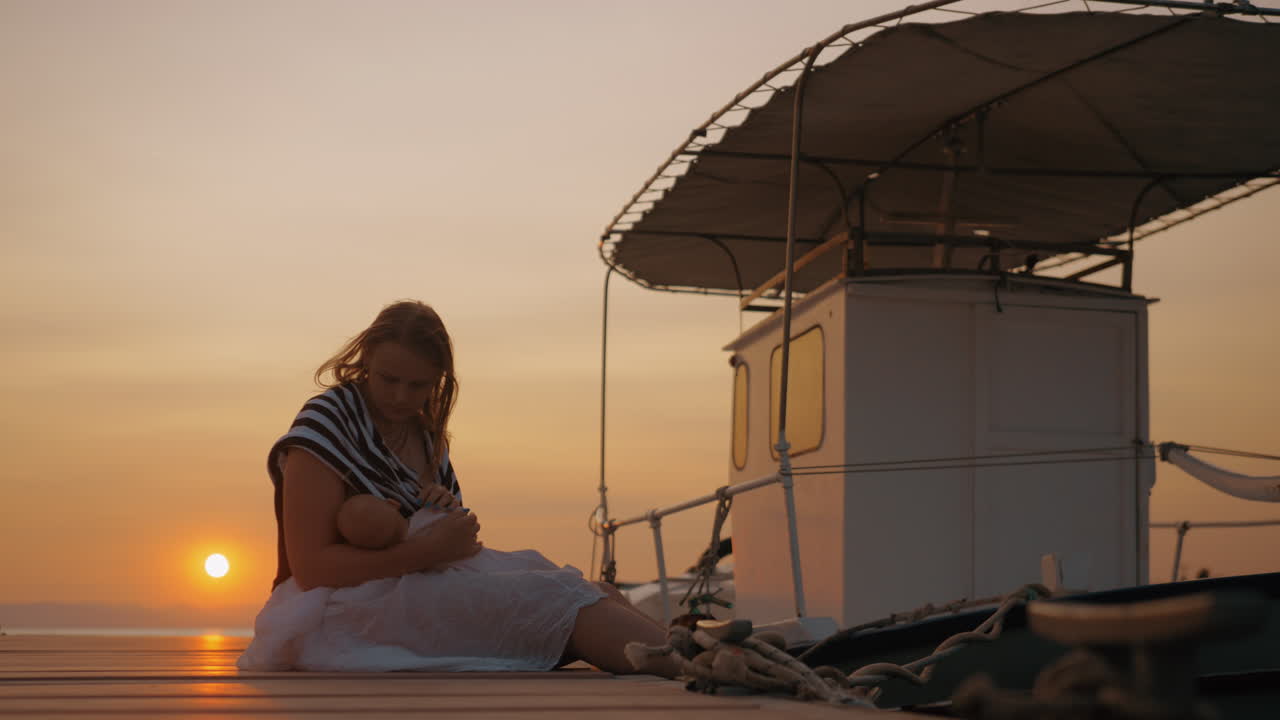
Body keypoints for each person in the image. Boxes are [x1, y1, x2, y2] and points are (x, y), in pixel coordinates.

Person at [237, 300, 676, 675]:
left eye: (418, 385)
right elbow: (311, 568)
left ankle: (702, 656)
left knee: (595, 591)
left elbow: (445, 543)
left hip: (418, 586)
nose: (400, 398)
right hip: (340, 612)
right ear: (366, 358)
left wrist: (451, 525)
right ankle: (693, 666)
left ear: (438, 380)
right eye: (389, 379)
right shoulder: (326, 423)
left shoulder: (424, 434)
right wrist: (429, 550)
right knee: (561, 602)